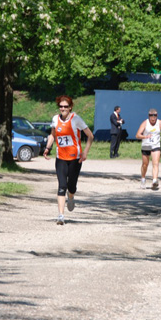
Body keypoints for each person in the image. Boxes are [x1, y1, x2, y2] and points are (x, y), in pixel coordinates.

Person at [43, 95, 94, 225]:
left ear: (70, 107)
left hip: (75, 159)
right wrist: (48, 147)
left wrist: (85, 153)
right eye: (61, 106)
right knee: (62, 186)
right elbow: (53, 135)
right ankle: (61, 216)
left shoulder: (75, 119)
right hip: (60, 158)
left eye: (66, 106)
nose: (63, 109)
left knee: (71, 186)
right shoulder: (55, 119)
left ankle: (71, 196)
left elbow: (90, 136)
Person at [136, 109, 161, 190]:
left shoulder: (160, 122)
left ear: (157, 116)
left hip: (156, 145)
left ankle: (155, 180)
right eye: (151, 116)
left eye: (154, 116)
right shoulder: (145, 123)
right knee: (145, 164)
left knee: (155, 163)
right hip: (146, 145)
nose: (153, 118)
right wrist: (145, 137)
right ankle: (143, 179)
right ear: (148, 116)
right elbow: (137, 135)